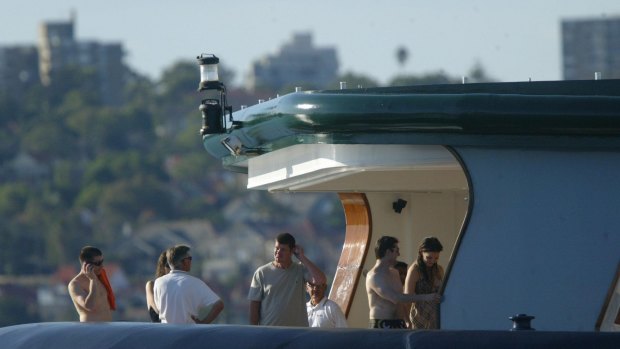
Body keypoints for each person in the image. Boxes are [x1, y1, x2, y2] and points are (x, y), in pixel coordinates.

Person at [248, 232, 326, 326]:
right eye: (276, 248)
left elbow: (320, 280)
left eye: (283, 250)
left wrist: (301, 257)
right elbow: (254, 306)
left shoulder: (300, 270)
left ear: (292, 251)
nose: (278, 252)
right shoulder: (261, 273)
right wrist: (254, 331)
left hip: (297, 333)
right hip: (269, 332)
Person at [366, 236, 440, 329]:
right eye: (397, 250)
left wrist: (407, 320)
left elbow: (401, 300)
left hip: (399, 324)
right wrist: (427, 297)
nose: (399, 254)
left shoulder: (394, 273)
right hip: (381, 325)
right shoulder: (374, 276)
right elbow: (395, 297)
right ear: (388, 252)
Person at [154, 245, 224, 324]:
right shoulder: (195, 283)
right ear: (185, 262)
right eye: (189, 259)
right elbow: (219, 305)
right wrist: (204, 323)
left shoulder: (158, 282)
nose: (190, 261)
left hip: (166, 332)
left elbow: (158, 308)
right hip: (189, 332)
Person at [405, 236, 444, 329]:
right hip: (420, 317)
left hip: (436, 317)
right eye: (429, 258)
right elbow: (407, 297)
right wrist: (407, 321)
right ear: (421, 253)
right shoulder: (415, 270)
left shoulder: (439, 269)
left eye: (436, 258)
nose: (433, 261)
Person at [67, 246, 116, 322]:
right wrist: (92, 280)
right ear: (86, 265)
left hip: (107, 328)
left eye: (102, 261)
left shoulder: (99, 279)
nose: (102, 266)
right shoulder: (75, 284)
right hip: (91, 329)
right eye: (98, 263)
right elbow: (89, 306)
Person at [145, 250, 170, 322]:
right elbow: (158, 311)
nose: (172, 269)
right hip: (161, 330)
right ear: (162, 267)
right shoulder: (151, 285)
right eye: (168, 265)